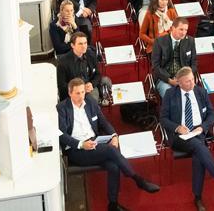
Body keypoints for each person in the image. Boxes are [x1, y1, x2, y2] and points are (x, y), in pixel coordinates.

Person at [58, 77, 161, 211]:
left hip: (94, 143)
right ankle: (138, 180)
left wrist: (114, 135)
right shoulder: (62, 108)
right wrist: (81, 144)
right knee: (111, 151)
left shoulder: (89, 101)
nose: (81, 96)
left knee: (113, 166)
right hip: (76, 150)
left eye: (83, 92)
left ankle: (113, 205)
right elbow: (62, 135)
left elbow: (103, 121)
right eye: (77, 93)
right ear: (70, 92)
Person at [158, 67, 214, 210]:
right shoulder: (170, 94)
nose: (192, 83)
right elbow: (163, 119)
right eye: (187, 81)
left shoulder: (201, 92)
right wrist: (178, 127)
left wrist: (203, 127)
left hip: (198, 133)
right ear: (179, 83)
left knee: (199, 155)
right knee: (199, 147)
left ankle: (197, 198)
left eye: (192, 79)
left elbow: (212, 114)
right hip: (179, 136)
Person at [57, 31, 111, 102]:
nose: (84, 46)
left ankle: (102, 99)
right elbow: (62, 86)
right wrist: (80, 89)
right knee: (93, 98)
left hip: (89, 84)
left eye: (85, 43)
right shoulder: (63, 62)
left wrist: (92, 84)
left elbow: (98, 74)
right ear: (72, 45)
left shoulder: (91, 55)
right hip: (76, 90)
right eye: (80, 44)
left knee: (106, 80)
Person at [151, 17, 198, 97]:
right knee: (171, 97)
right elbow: (156, 66)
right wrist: (169, 80)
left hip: (184, 77)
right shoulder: (159, 42)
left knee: (194, 96)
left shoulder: (190, 41)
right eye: (181, 29)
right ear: (173, 28)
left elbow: (194, 63)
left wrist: (186, 77)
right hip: (165, 79)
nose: (184, 33)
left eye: (186, 30)